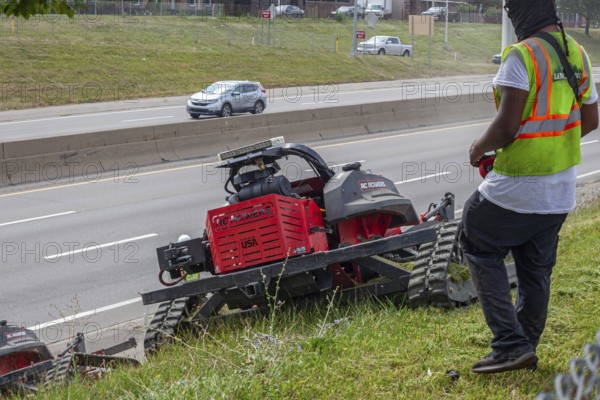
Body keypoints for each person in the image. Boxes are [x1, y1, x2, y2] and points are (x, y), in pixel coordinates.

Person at [459, 0, 599, 374]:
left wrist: (478, 149)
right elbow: (590, 119)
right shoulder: (578, 53)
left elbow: (506, 127)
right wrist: (551, 143)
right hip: (559, 190)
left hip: (518, 185)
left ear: (521, 12)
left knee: (475, 237)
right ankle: (525, 345)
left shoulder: (522, 56)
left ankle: (509, 344)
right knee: (535, 269)